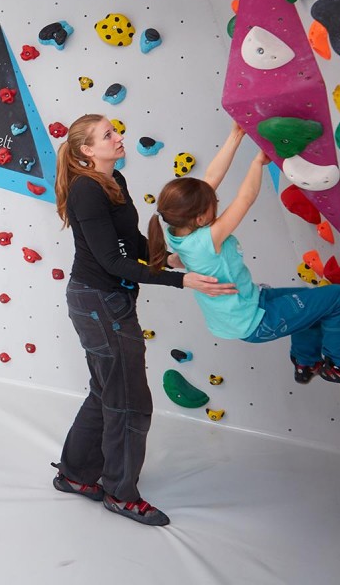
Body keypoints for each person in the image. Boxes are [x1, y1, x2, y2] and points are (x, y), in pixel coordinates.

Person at [50, 114, 237, 527]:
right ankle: (120, 493)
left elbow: (129, 243)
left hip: (108, 301)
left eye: (115, 131)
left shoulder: (115, 181)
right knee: (130, 402)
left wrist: (166, 258)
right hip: (98, 304)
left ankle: (76, 476)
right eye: (108, 135)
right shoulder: (86, 191)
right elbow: (112, 261)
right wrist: (180, 280)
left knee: (106, 392)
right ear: (86, 150)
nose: (119, 137)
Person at [146, 122, 340, 391]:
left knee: (311, 305)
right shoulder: (205, 240)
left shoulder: (176, 228)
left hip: (247, 305)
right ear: (201, 217)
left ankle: (306, 362)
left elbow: (211, 177)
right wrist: (257, 163)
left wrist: (235, 135)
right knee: (339, 299)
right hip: (254, 321)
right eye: (214, 204)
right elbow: (245, 199)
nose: (216, 201)